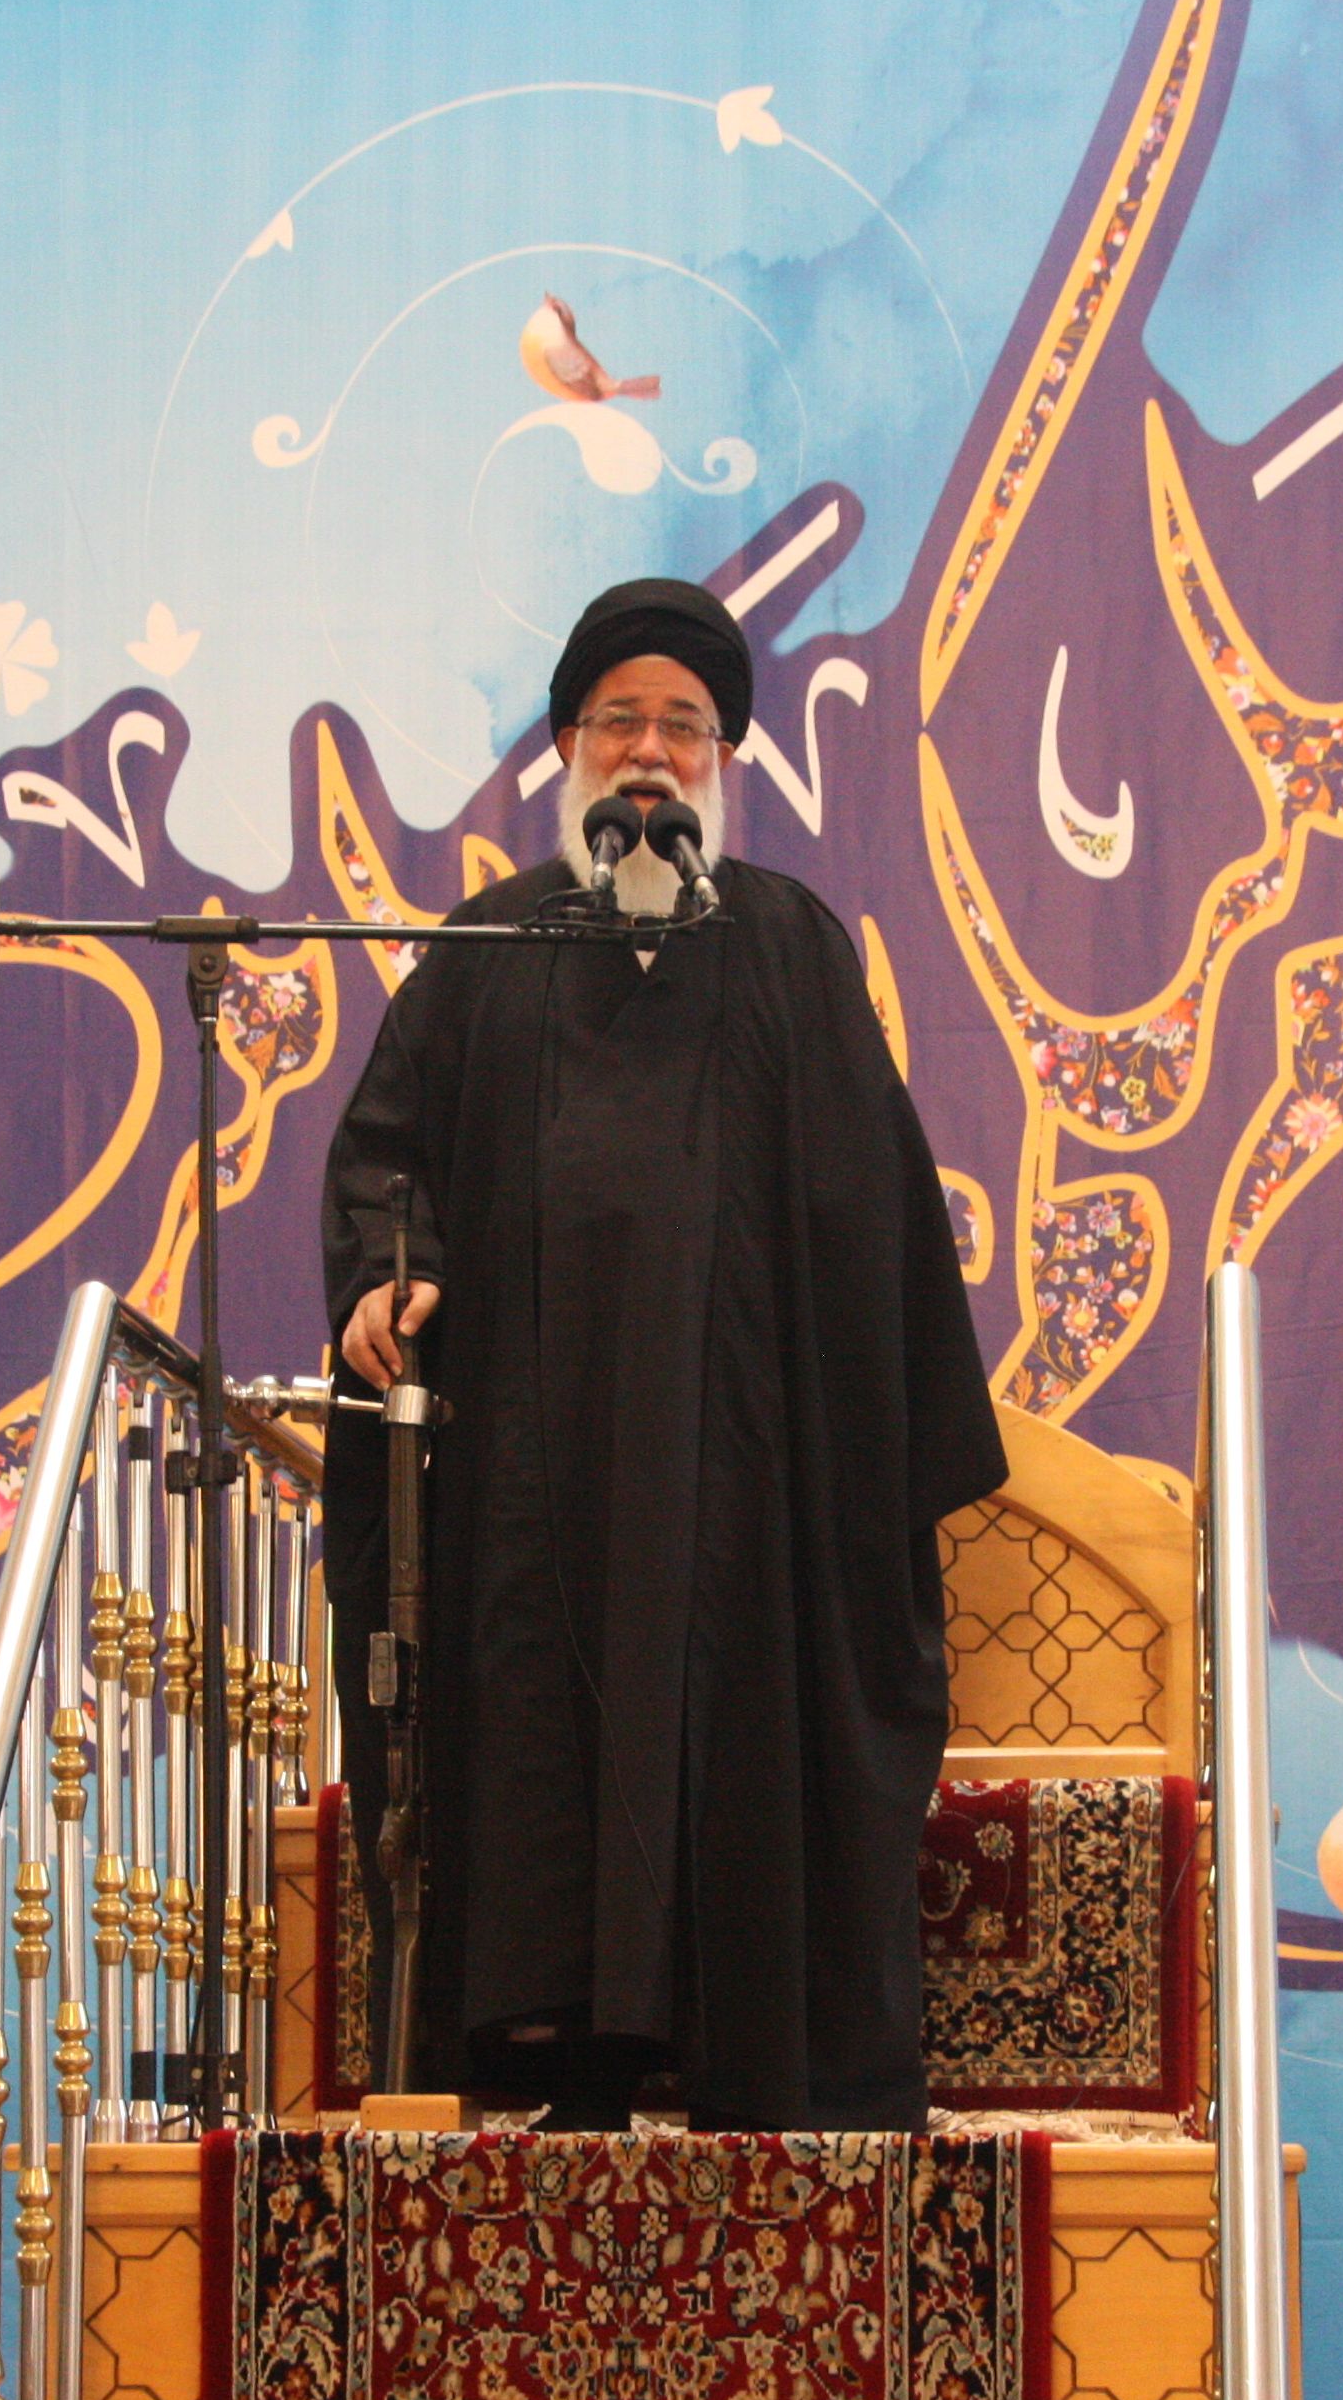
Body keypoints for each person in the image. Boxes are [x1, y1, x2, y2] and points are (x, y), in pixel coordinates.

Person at [317, 577, 1004, 2132]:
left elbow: (875, 1210)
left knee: (734, 1724)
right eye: (618, 721)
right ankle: (548, 2046)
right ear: (568, 747)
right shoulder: (489, 944)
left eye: (681, 727)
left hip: (739, 1479)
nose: (648, 752)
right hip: (525, 1467)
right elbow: (388, 1158)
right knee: (533, 1733)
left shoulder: (790, 945)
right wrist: (383, 1275)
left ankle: (736, 2037)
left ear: (722, 761)